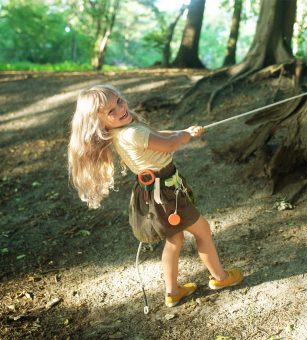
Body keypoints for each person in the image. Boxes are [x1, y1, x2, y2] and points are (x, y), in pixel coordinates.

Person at [68, 85, 243, 308]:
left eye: (120, 100)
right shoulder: (132, 132)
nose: (120, 108)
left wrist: (183, 131)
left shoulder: (120, 131)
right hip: (166, 193)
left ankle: (173, 292)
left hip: (153, 192)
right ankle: (220, 278)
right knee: (203, 230)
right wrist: (184, 137)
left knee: (175, 239)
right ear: (98, 121)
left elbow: (158, 136)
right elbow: (168, 145)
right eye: (111, 111)